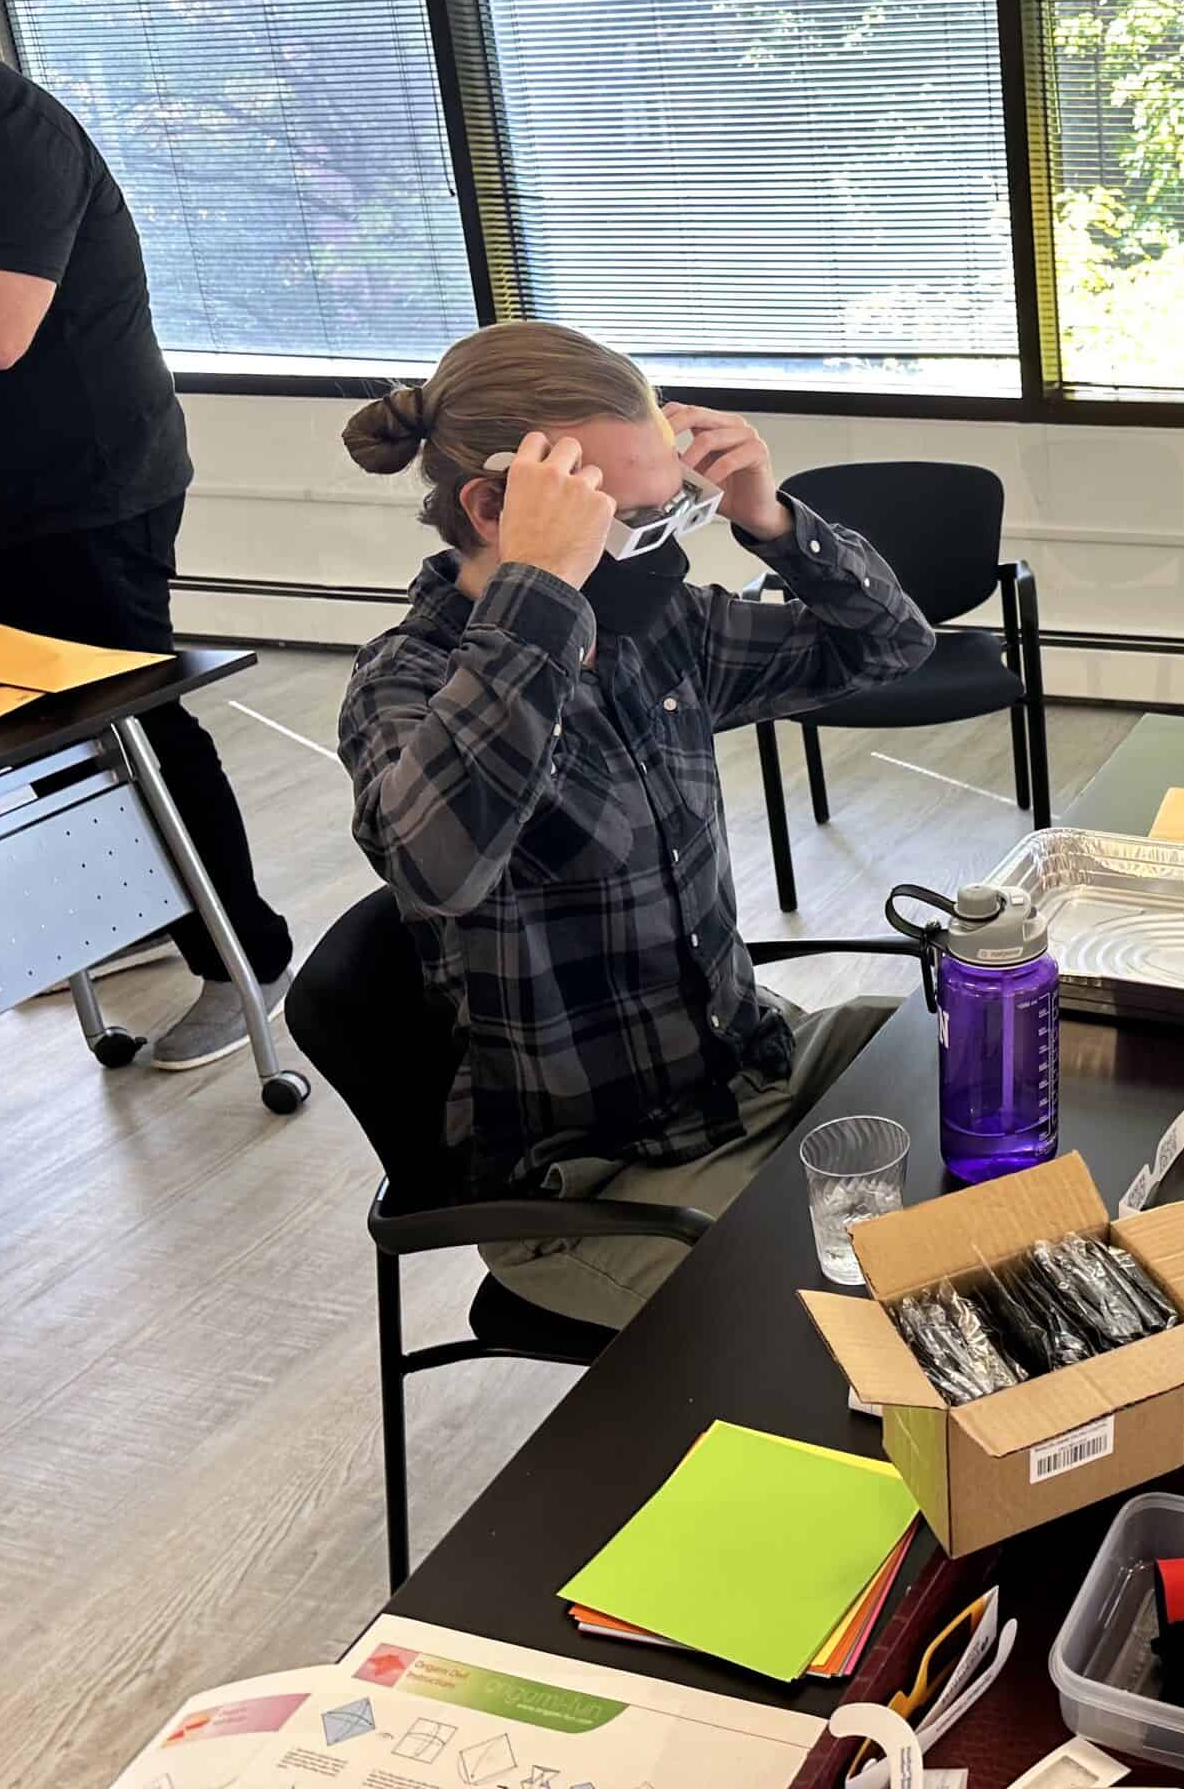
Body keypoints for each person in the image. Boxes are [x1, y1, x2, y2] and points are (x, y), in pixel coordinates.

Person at [336, 321, 935, 1328]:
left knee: (961, 1052)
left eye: (677, 515)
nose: (667, 556)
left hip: (745, 1077)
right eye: (637, 526)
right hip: (590, 1185)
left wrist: (771, 522)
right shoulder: (406, 684)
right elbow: (436, 865)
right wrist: (538, 599)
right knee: (845, 1339)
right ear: (496, 507)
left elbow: (888, 651)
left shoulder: (660, 632)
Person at [0, 31, 296, 1067]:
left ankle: (246, 956)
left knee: (133, 724)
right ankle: (135, 913)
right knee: (32, 727)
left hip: (82, 490)